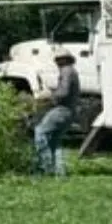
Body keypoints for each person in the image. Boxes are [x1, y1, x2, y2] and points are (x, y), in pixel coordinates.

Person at [33, 46, 79, 177]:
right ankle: (60, 172)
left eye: (58, 59)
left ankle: (45, 167)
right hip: (70, 111)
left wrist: (49, 95)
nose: (56, 62)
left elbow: (63, 92)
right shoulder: (72, 71)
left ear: (64, 60)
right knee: (55, 140)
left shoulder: (66, 71)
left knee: (40, 132)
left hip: (62, 110)